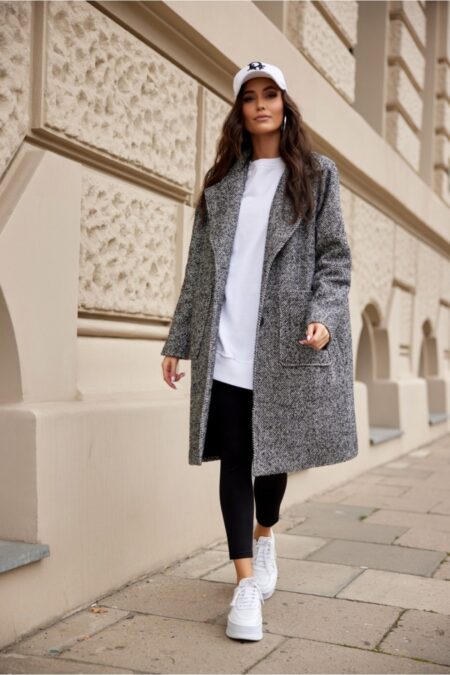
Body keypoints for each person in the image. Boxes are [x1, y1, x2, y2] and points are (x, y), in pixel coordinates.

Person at [160, 60, 357, 642]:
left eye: (270, 94)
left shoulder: (317, 175)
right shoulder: (221, 185)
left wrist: (324, 315)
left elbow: (334, 257)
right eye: (250, 97)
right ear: (240, 112)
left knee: (271, 460)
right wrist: (178, 339)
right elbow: (198, 271)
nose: (261, 104)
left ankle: (265, 532)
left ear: (285, 105)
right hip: (226, 341)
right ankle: (245, 582)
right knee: (235, 459)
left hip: (284, 342)